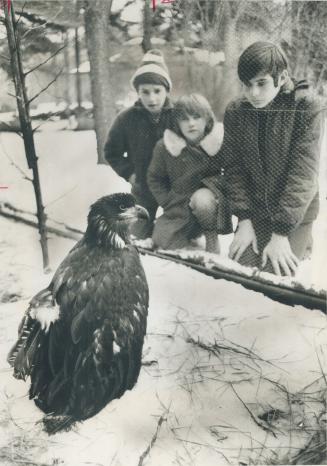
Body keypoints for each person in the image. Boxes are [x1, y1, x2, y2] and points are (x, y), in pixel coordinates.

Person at [220, 41, 323, 276]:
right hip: (255, 212)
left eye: (262, 83)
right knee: (240, 272)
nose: (253, 93)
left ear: (282, 76)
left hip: (292, 215)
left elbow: (303, 174)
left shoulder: (307, 107)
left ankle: (301, 238)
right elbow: (233, 169)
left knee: (273, 275)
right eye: (247, 85)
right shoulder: (236, 111)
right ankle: (280, 238)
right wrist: (244, 220)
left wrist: (282, 234)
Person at [147, 94, 233, 253]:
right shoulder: (166, 146)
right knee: (163, 242)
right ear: (176, 122)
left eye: (196, 117)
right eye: (184, 119)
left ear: (207, 119)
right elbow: (154, 178)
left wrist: (216, 187)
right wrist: (166, 200)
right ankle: (187, 233)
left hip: (209, 200)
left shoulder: (219, 143)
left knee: (203, 201)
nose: (191, 124)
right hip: (179, 204)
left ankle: (211, 236)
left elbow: (233, 172)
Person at [104, 49, 174, 238]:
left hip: (173, 190)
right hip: (143, 189)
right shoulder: (127, 118)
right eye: (145, 92)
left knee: (169, 238)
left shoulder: (178, 116)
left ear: (167, 90)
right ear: (138, 92)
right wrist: (130, 173)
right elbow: (111, 152)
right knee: (134, 235)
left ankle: (171, 228)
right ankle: (147, 227)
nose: (152, 98)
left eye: (157, 91)